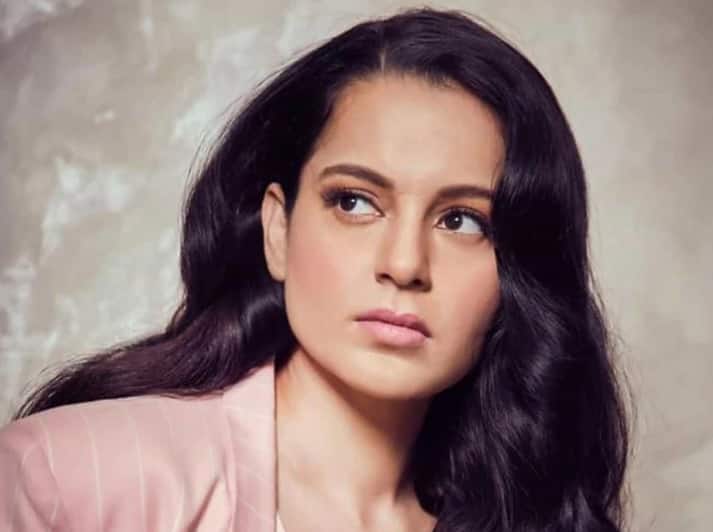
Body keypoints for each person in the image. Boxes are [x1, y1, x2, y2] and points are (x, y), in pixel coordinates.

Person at [0, 6, 631, 532]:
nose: (404, 264)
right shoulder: (67, 478)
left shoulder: (530, 516)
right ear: (278, 230)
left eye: (462, 220)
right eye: (355, 202)